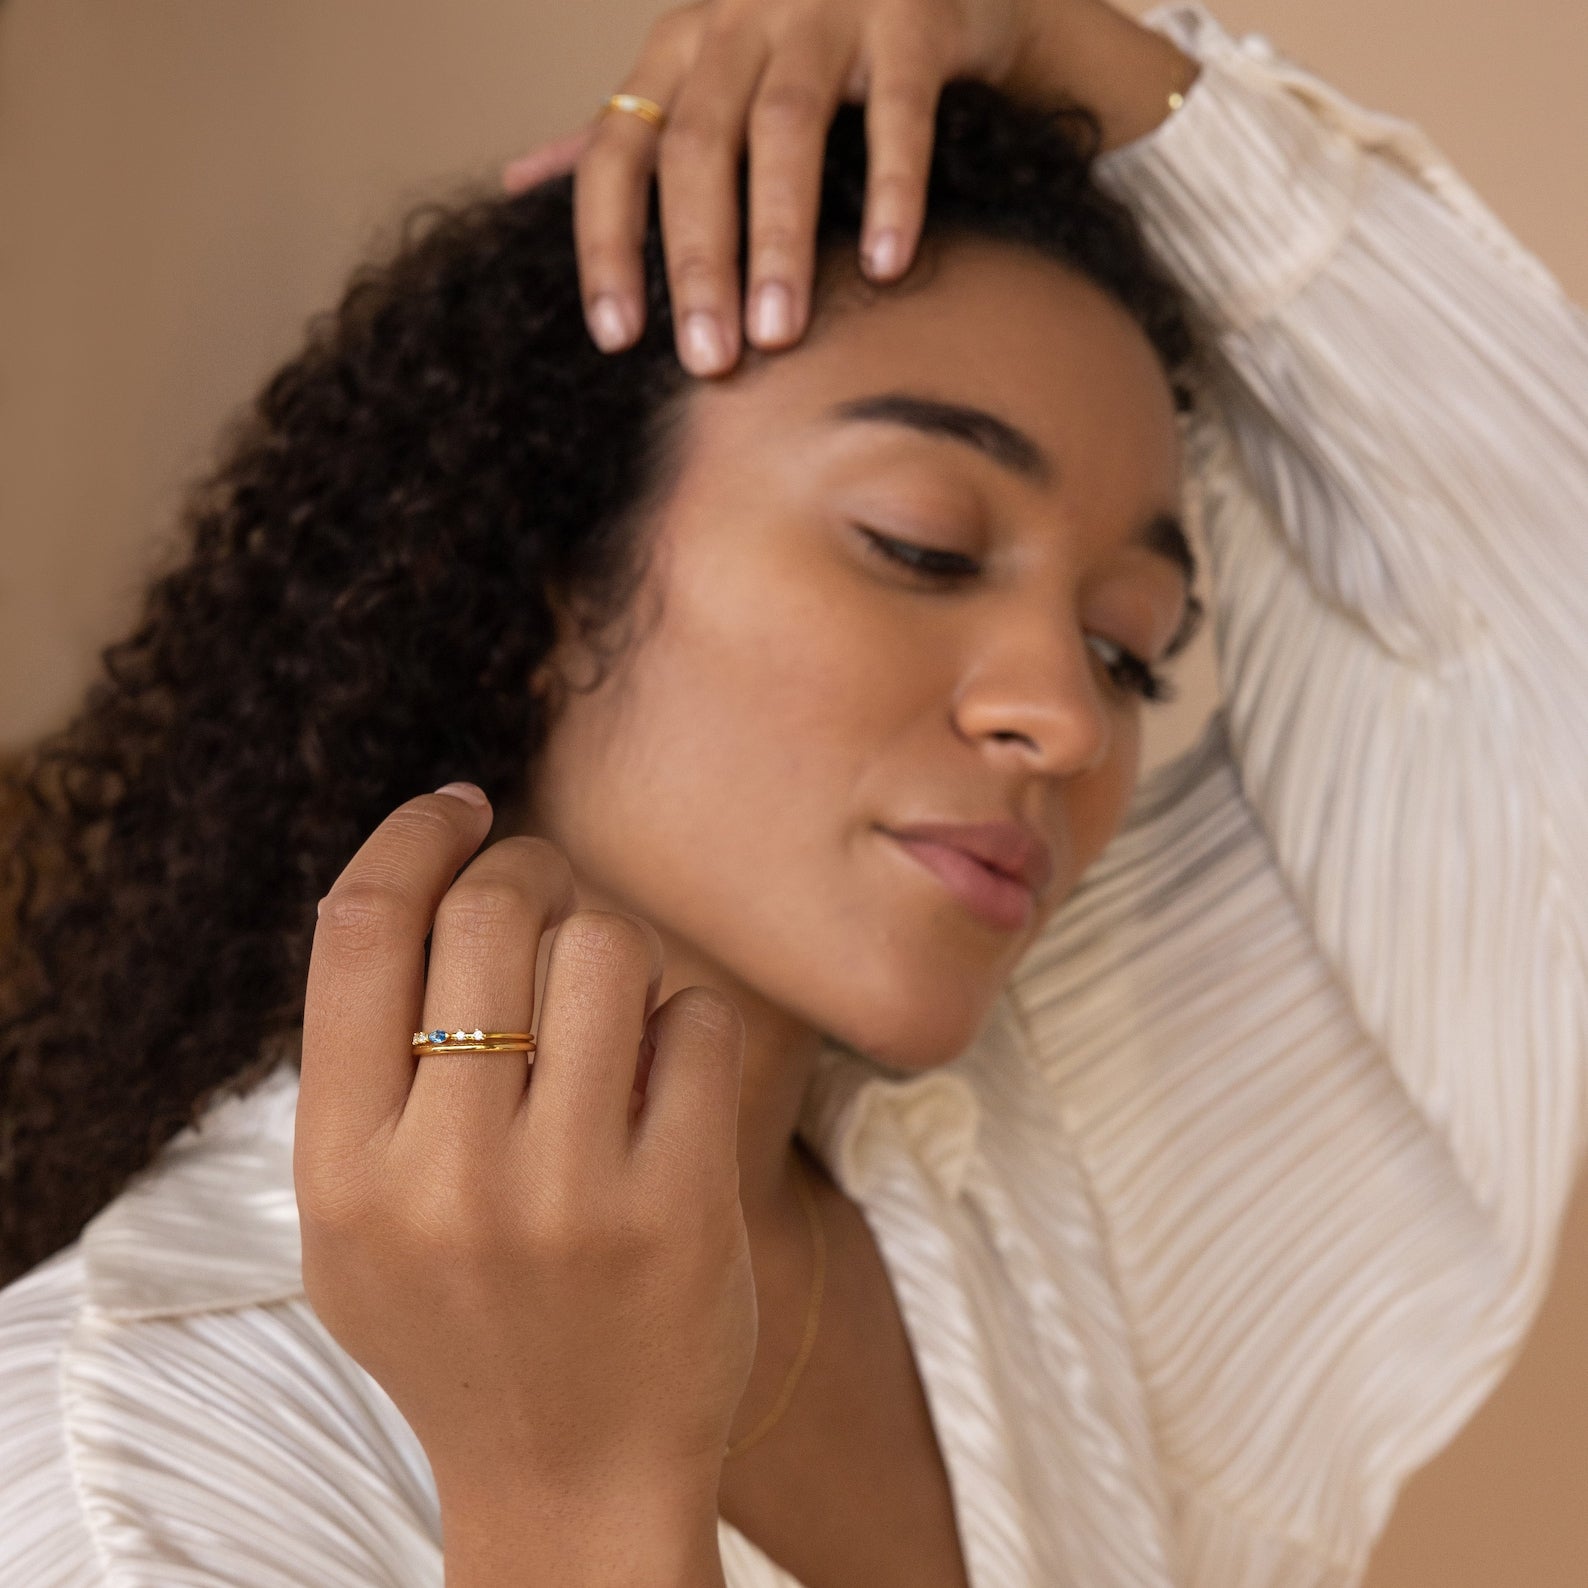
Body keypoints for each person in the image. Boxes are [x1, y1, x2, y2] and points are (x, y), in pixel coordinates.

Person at [0, 0, 1583, 1583]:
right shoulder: (135, 1461)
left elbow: (1540, 641)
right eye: (924, 546)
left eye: (1130, 650)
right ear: (550, 580)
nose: (1067, 721)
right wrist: (573, 1497)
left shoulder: (1039, 1190)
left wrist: (1033, 31)